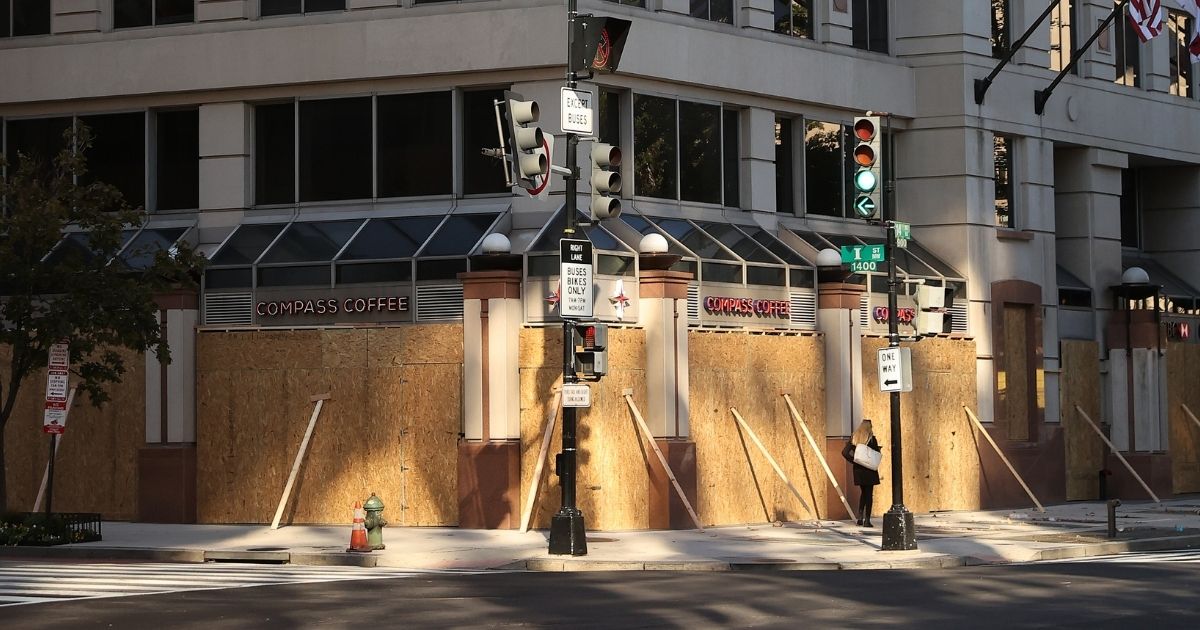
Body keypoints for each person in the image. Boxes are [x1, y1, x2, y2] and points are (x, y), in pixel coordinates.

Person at [841, 418, 882, 527]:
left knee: (863, 493)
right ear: (869, 428)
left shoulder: (854, 438)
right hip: (869, 470)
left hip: (858, 470)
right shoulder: (872, 439)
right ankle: (867, 520)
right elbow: (876, 453)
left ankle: (860, 517)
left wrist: (854, 461)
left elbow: (844, 452)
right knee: (869, 495)